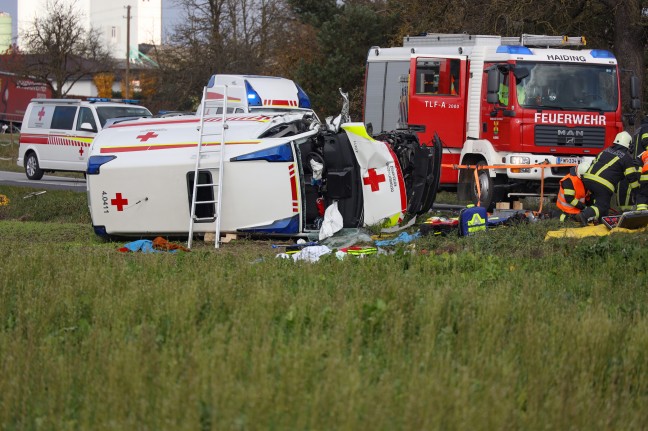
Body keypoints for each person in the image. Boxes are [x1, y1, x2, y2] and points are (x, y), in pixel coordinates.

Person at [580, 131, 640, 226]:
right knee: (602, 206)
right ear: (627, 144)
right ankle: (585, 215)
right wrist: (637, 191)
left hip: (587, 179)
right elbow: (631, 177)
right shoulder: (626, 158)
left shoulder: (605, 151)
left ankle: (600, 223)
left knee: (601, 203)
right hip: (602, 183)